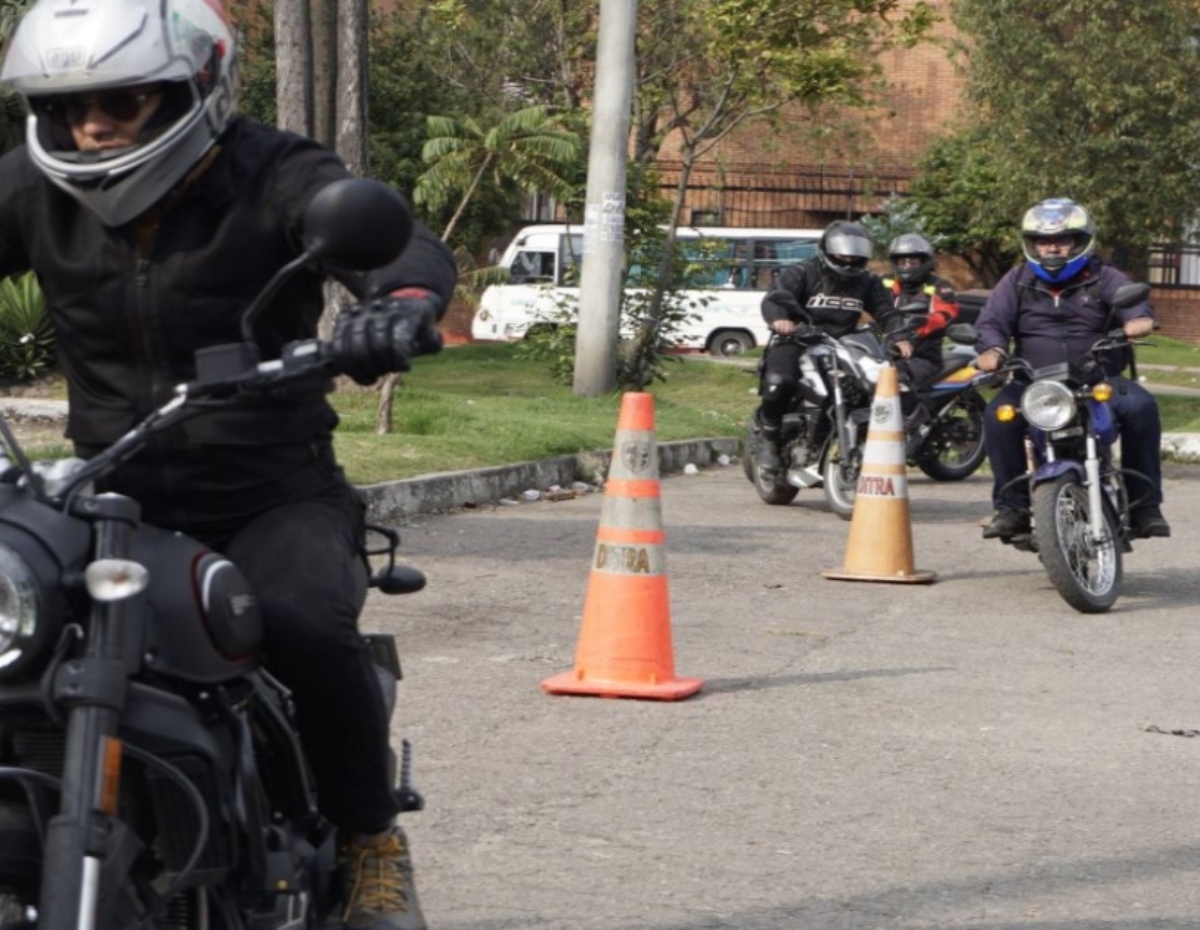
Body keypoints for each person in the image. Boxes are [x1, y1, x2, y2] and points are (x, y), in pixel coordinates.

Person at [0, 2, 457, 929]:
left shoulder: (273, 173)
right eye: (70, 107)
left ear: (191, 91)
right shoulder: (30, 187)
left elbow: (398, 244)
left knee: (304, 624)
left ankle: (371, 841)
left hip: (270, 488)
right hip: (108, 492)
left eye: (122, 101)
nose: (92, 127)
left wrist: (401, 301)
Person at [975, 198, 1169, 541]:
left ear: (1080, 241)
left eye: (1061, 240)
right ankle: (1012, 509)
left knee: (1140, 407)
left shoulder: (1104, 276)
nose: (1052, 249)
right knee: (997, 416)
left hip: (1098, 380)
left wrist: (1138, 320)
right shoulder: (1017, 279)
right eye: (1043, 241)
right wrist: (992, 349)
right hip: (1035, 383)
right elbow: (992, 322)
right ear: (1031, 244)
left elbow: (1135, 304)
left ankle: (1145, 506)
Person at [756, 219, 899, 472]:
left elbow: (887, 312)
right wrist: (781, 320)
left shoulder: (868, 280)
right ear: (826, 250)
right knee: (779, 382)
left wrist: (900, 336)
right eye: (842, 256)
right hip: (797, 339)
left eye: (855, 257)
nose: (849, 262)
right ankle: (769, 440)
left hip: (843, 342)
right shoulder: (803, 272)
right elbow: (776, 298)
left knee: (873, 382)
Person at [881, 234, 960, 454]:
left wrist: (914, 331)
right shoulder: (886, 283)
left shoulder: (940, 287)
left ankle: (915, 422)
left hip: (923, 355)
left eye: (912, 261)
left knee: (896, 375)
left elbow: (944, 315)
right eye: (902, 261)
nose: (906, 266)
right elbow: (871, 306)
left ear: (924, 262)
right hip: (886, 349)